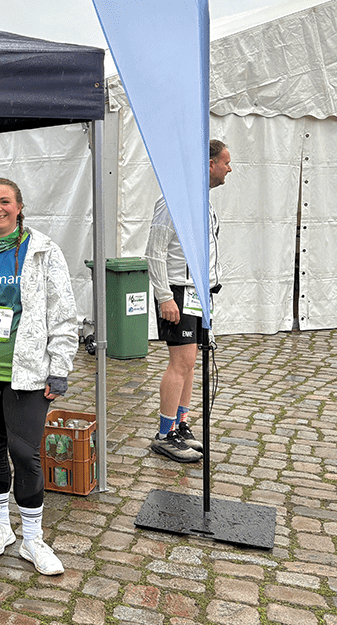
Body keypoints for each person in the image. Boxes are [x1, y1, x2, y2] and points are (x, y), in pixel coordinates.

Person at [0, 178, 77, 577]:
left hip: (26, 371)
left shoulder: (43, 251)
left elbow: (63, 311)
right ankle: (0, 525)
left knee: (25, 453)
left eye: (4, 201)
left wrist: (60, 367)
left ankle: (33, 537)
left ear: (20, 206)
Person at [145, 139, 231, 463]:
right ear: (210, 164)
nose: (229, 168)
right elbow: (154, 251)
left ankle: (180, 424)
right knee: (179, 363)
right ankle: (164, 434)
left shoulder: (203, 200)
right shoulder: (174, 200)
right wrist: (165, 296)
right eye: (226, 161)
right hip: (177, 292)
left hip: (197, 291)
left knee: (192, 363)